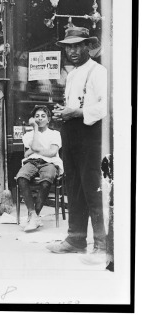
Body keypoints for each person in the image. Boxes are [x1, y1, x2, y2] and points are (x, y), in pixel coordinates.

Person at [48, 26, 108, 255]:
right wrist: (63, 112)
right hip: (71, 133)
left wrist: (76, 112)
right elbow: (74, 105)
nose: (72, 51)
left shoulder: (98, 71)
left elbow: (104, 106)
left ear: (87, 47)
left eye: (77, 46)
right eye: (68, 47)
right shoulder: (72, 74)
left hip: (90, 134)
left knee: (92, 187)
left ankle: (102, 243)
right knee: (73, 187)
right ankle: (76, 239)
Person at [16, 105, 63, 232]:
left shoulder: (55, 134)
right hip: (32, 162)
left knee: (47, 179)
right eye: (37, 116)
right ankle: (33, 215)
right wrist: (35, 130)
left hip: (50, 162)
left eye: (43, 116)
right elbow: (26, 154)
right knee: (21, 177)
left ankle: (34, 216)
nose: (40, 119)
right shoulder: (29, 135)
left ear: (48, 119)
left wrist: (36, 149)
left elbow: (52, 153)